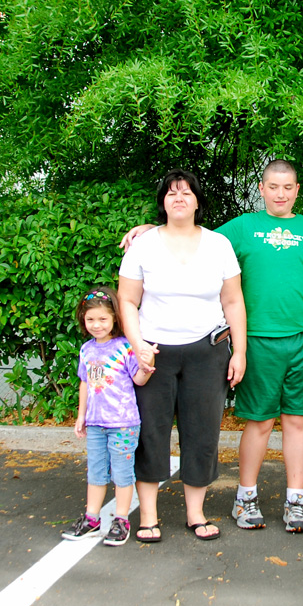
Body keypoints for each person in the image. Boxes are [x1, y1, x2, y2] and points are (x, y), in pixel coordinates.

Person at [120, 159, 303, 534]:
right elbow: (191, 231)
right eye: (273, 186)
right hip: (258, 339)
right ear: (262, 188)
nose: (280, 193)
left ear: (297, 190)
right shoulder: (242, 228)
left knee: (298, 420)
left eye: (288, 187)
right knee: (259, 421)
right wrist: (149, 229)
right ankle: (246, 497)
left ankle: (295, 500)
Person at [118, 170, 246, 542]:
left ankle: (196, 514)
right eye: (172, 193)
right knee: (150, 434)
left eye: (186, 193)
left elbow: (233, 300)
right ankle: (148, 518)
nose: (179, 198)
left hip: (207, 353)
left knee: (202, 434)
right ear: (162, 202)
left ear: (197, 201)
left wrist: (239, 350)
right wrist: (137, 343)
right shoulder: (143, 245)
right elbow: (127, 300)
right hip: (153, 355)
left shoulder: (218, 244)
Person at [61, 287, 156, 547]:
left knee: (123, 473)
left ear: (115, 318)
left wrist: (147, 366)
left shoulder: (126, 347)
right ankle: (92, 518)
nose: (96, 325)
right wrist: (81, 415)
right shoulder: (86, 350)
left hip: (123, 424)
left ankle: (121, 520)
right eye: (90, 319)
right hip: (95, 424)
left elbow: (138, 378)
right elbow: (85, 383)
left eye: (103, 319)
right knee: (96, 472)